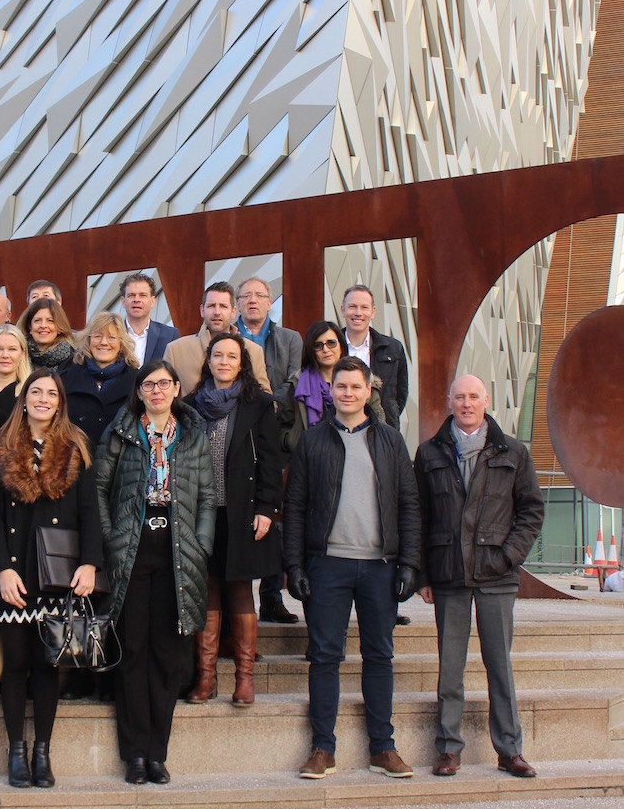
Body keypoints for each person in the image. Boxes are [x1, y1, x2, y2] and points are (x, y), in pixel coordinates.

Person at [283, 356, 421, 780]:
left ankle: (383, 746)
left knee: (379, 655)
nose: (347, 393)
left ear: (368, 391)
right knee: (325, 656)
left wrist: (410, 563)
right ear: (332, 391)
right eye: (339, 387)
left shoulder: (390, 441)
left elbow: (409, 504)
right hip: (328, 565)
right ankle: (323, 748)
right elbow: (296, 507)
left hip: (380, 566)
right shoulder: (314, 441)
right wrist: (294, 565)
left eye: (355, 387)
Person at [415, 375, 544, 779]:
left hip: (496, 574)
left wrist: (509, 557)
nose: (467, 403)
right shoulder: (429, 452)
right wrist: (423, 573)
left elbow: (531, 511)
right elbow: (417, 516)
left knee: (498, 665)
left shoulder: (514, 452)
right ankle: (449, 749)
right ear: (449, 401)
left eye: (474, 396)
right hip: (449, 573)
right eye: (459, 397)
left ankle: (510, 750)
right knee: (450, 668)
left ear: (486, 400)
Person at [96, 359, 216, 785]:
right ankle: (134, 753)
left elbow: (206, 497)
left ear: (177, 387)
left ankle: (157, 753)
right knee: (132, 651)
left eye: (164, 383)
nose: (158, 390)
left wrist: (201, 545)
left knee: (167, 655)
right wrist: (111, 539)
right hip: (132, 546)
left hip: (177, 551)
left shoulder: (193, 436)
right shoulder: (121, 432)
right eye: (149, 384)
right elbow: (99, 488)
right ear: (140, 390)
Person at [0, 369, 103, 787]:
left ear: (60, 401)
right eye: (36, 391)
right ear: (24, 398)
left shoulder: (76, 449)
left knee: (49, 664)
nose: (43, 398)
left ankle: (42, 753)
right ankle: (16, 753)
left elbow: (91, 512)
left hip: (57, 576)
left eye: (51, 393)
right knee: (15, 664)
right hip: (14, 576)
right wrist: (2, 569)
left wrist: (90, 562)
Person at [184, 333, 283, 707]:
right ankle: (206, 678)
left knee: (240, 590)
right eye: (217, 355)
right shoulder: (190, 405)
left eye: (232, 356)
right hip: (200, 514)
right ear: (208, 361)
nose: (224, 362)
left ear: (242, 363)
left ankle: (245, 679)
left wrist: (266, 509)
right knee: (206, 591)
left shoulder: (259, 405)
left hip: (243, 512)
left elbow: (273, 462)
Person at [235, 277, 302, 625]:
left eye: (259, 296)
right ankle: (238, 596)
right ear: (237, 303)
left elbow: (293, 379)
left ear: (269, 301)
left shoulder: (290, 339)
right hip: (234, 438)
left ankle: (272, 597)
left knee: (271, 513)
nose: (252, 301)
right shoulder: (228, 337)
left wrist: (267, 405)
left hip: (275, 435)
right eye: (246, 296)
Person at [275, 320, 386, 454]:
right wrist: (293, 442)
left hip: (356, 454)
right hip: (311, 458)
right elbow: (284, 425)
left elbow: (378, 422)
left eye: (331, 343)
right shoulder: (299, 384)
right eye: (318, 345)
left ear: (341, 345)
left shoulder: (362, 381)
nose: (325, 349)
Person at [163, 282, 270, 396]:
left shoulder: (253, 350)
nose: (217, 312)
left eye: (223, 306)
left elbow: (266, 400)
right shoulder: (176, 350)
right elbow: (163, 395)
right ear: (202, 310)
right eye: (211, 306)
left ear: (233, 311)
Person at [60, 312, 138, 446]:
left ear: (121, 343)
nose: (104, 343)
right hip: (73, 458)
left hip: (117, 461)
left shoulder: (136, 382)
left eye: (112, 337)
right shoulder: (65, 378)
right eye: (97, 336)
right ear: (88, 341)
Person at [341, 284, 408, 431]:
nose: (358, 313)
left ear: (373, 312)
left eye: (364, 307)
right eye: (352, 306)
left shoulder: (393, 348)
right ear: (343, 310)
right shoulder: (332, 347)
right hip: (340, 429)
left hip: (382, 430)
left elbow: (400, 395)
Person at [119, 272, 178, 365]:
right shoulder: (112, 334)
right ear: (123, 301)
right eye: (131, 295)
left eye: (143, 295)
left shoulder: (171, 336)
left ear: (152, 301)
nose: (136, 300)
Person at [17, 298, 76, 372]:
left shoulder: (76, 361)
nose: (43, 325)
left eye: (50, 321)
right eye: (37, 320)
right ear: (29, 326)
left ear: (59, 326)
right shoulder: (17, 357)